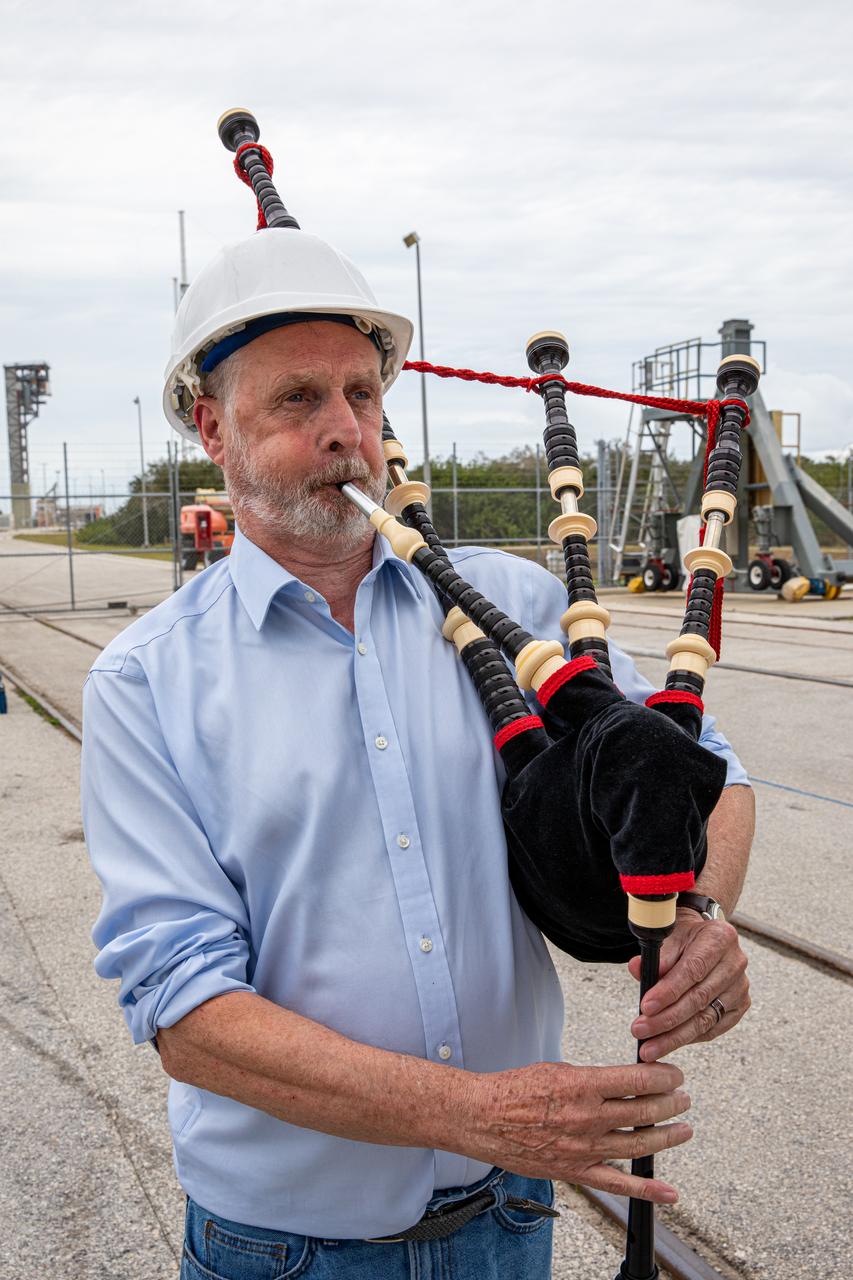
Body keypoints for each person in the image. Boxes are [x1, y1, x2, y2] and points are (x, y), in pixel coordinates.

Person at [82, 226, 754, 1280]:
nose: (345, 430)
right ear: (212, 426)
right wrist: (476, 1111)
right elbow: (184, 1010)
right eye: (297, 400)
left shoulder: (520, 608)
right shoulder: (145, 682)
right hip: (283, 1246)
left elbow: (702, 767)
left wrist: (705, 912)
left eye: (361, 392)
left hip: (504, 1223)